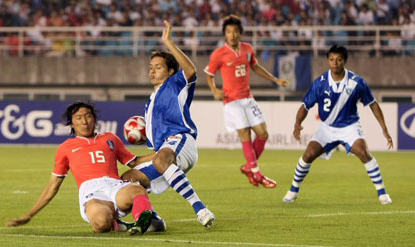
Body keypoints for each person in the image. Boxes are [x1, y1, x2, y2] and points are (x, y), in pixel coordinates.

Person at [6, 102, 155, 234]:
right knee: (101, 223)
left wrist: (160, 153)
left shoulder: (110, 138)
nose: (84, 121)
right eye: (79, 118)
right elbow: (52, 186)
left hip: (114, 186)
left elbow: (134, 162)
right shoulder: (65, 148)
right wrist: (30, 214)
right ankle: (117, 225)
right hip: (92, 193)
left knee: (136, 190)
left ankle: (145, 222)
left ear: (94, 119)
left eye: (88, 116)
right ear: (71, 123)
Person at [122, 20, 215, 228]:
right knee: (128, 178)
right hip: (165, 154)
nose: (152, 71)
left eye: (158, 67)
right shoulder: (149, 105)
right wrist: (136, 160)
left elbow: (191, 71)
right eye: (150, 67)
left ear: (171, 71)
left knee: (161, 159)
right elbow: (157, 151)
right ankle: (153, 219)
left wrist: (169, 42)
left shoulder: (175, 84)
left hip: (182, 141)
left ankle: (200, 209)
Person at [282, 45, 393, 205]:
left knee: (363, 152)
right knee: (308, 155)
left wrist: (384, 129)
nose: (335, 63)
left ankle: (382, 193)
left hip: (350, 127)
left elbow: (373, 104)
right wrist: (297, 124)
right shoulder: (320, 83)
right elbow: (305, 105)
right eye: (332, 59)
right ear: (328, 61)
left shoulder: (357, 82)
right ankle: (293, 190)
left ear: (344, 61)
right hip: (326, 127)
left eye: (339, 60)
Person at [204, 15, 289, 188]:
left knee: (263, 134)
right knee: (245, 134)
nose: (232, 35)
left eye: (235, 31)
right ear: (225, 34)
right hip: (231, 101)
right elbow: (209, 75)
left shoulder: (248, 49)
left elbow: (256, 67)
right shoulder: (219, 54)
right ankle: (258, 175)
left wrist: (276, 80)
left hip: (248, 99)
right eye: (229, 32)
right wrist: (214, 90)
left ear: (240, 33)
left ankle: (249, 166)